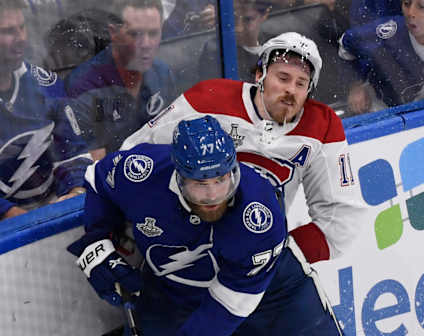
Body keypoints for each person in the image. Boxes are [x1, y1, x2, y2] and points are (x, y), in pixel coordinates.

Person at [68, 115, 342, 335]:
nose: (213, 196)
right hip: (177, 297)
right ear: (179, 176)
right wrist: (97, 240)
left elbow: (230, 305)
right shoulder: (143, 171)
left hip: (274, 296)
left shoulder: (258, 214)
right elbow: (98, 180)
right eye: (200, 184)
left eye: (221, 181)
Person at [122, 32, 367, 264]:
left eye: (301, 83)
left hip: (254, 258)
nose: (291, 89)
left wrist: (270, 258)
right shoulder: (209, 98)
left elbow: (342, 222)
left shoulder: (322, 127)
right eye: (282, 78)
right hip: (181, 248)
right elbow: (133, 155)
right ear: (259, 75)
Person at [0, 0, 92, 227]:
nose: (21, 38)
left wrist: (75, 192)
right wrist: (19, 219)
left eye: (22, 27)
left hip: (54, 213)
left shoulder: (44, 84)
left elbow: (74, 153)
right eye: (8, 31)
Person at [65, 0, 177, 160]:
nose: (146, 44)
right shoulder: (84, 86)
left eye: (153, 33)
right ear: (113, 33)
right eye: (135, 34)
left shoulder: (162, 73)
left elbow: (170, 137)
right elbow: (94, 168)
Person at [339, 0, 424, 115]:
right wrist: (355, 85)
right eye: (406, 4)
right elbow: (346, 44)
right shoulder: (387, 33)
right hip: (387, 112)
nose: (411, 13)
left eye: (422, 6)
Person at [199, 0, 272, 83]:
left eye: (248, 20)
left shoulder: (275, 41)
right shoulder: (217, 51)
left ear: (265, 14)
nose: (239, 28)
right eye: (233, 19)